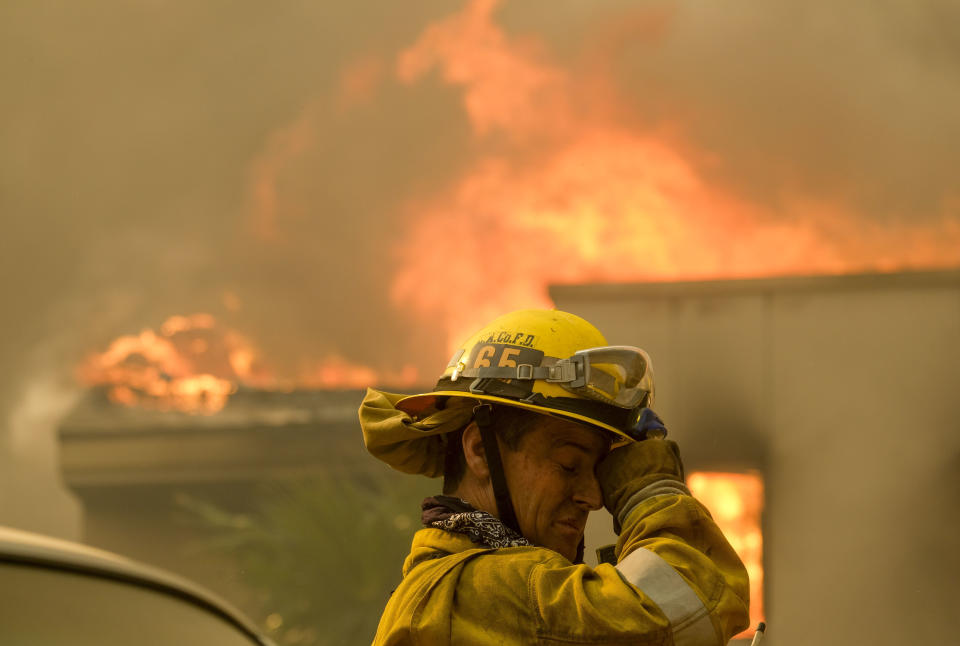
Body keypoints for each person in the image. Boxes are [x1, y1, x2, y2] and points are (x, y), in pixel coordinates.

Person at [359, 309, 749, 645]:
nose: (593, 497)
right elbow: (692, 603)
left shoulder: (466, 592)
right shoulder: (474, 593)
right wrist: (651, 491)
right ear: (479, 450)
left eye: (598, 471)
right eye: (568, 465)